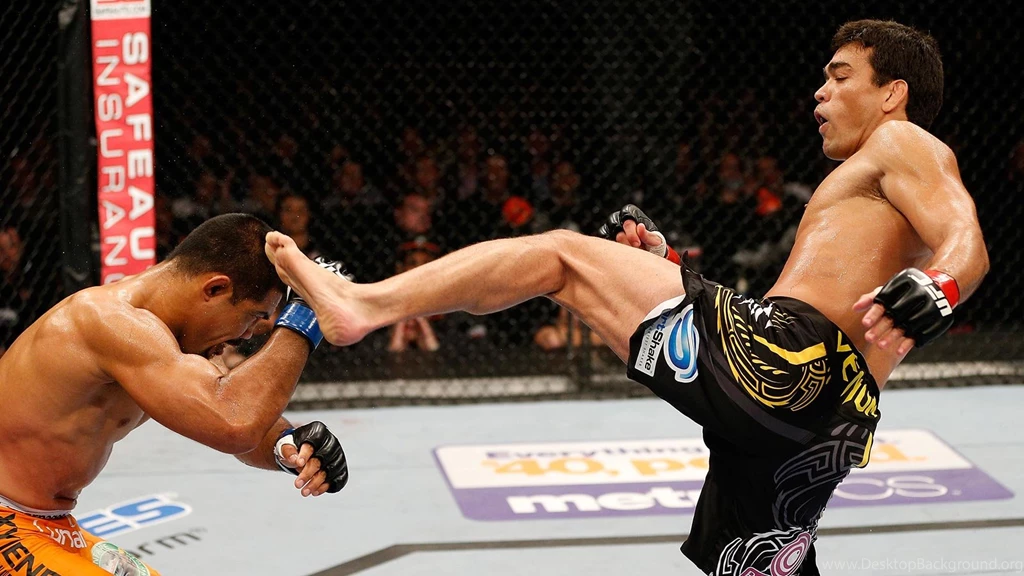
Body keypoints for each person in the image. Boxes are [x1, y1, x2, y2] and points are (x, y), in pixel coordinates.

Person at [263, 20, 988, 576]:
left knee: (562, 256)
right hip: (826, 414)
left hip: (795, 365)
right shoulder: (868, 182)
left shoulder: (903, 143)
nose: (820, 93)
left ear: (891, 93)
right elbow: (809, 300)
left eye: (840, 76)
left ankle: (364, 304)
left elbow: (967, 240)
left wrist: (941, 285)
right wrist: (665, 268)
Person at [0, 214, 350, 575]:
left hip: (50, 525)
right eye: (252, 317)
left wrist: (287, 445)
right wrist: (307, 314)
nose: (248, 335)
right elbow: (234, 424)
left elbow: (230, 415)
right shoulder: (107, 322)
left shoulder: (174, 341)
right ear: (215, 289)